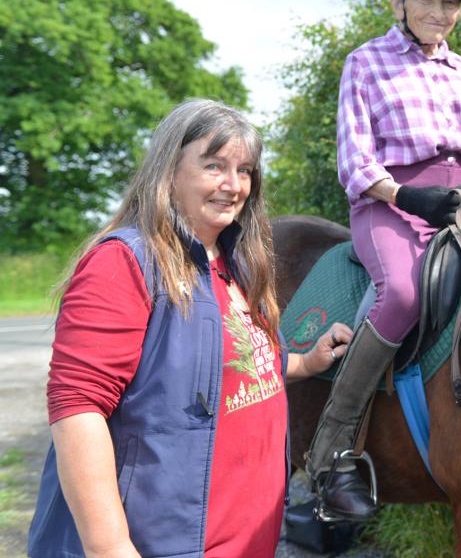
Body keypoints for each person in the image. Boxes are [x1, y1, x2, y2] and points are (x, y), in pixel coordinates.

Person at [27, 100, 353, 558]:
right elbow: (77, 408)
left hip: (245, 540)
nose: (233, 185)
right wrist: (110, 547)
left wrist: (307, 360)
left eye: (245, 171)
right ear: (169, 171)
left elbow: (243, 366)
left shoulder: (235, 261)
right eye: (214, 166)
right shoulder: (124, 262)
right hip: (162, 542)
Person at [307, 0, 461, 521]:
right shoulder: (365, 63)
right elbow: (355, 159)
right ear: (399, 2)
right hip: (390, 202)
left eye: (451, 3)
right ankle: (334, 450)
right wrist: (405, 194)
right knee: (401, 292)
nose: (440, 14)